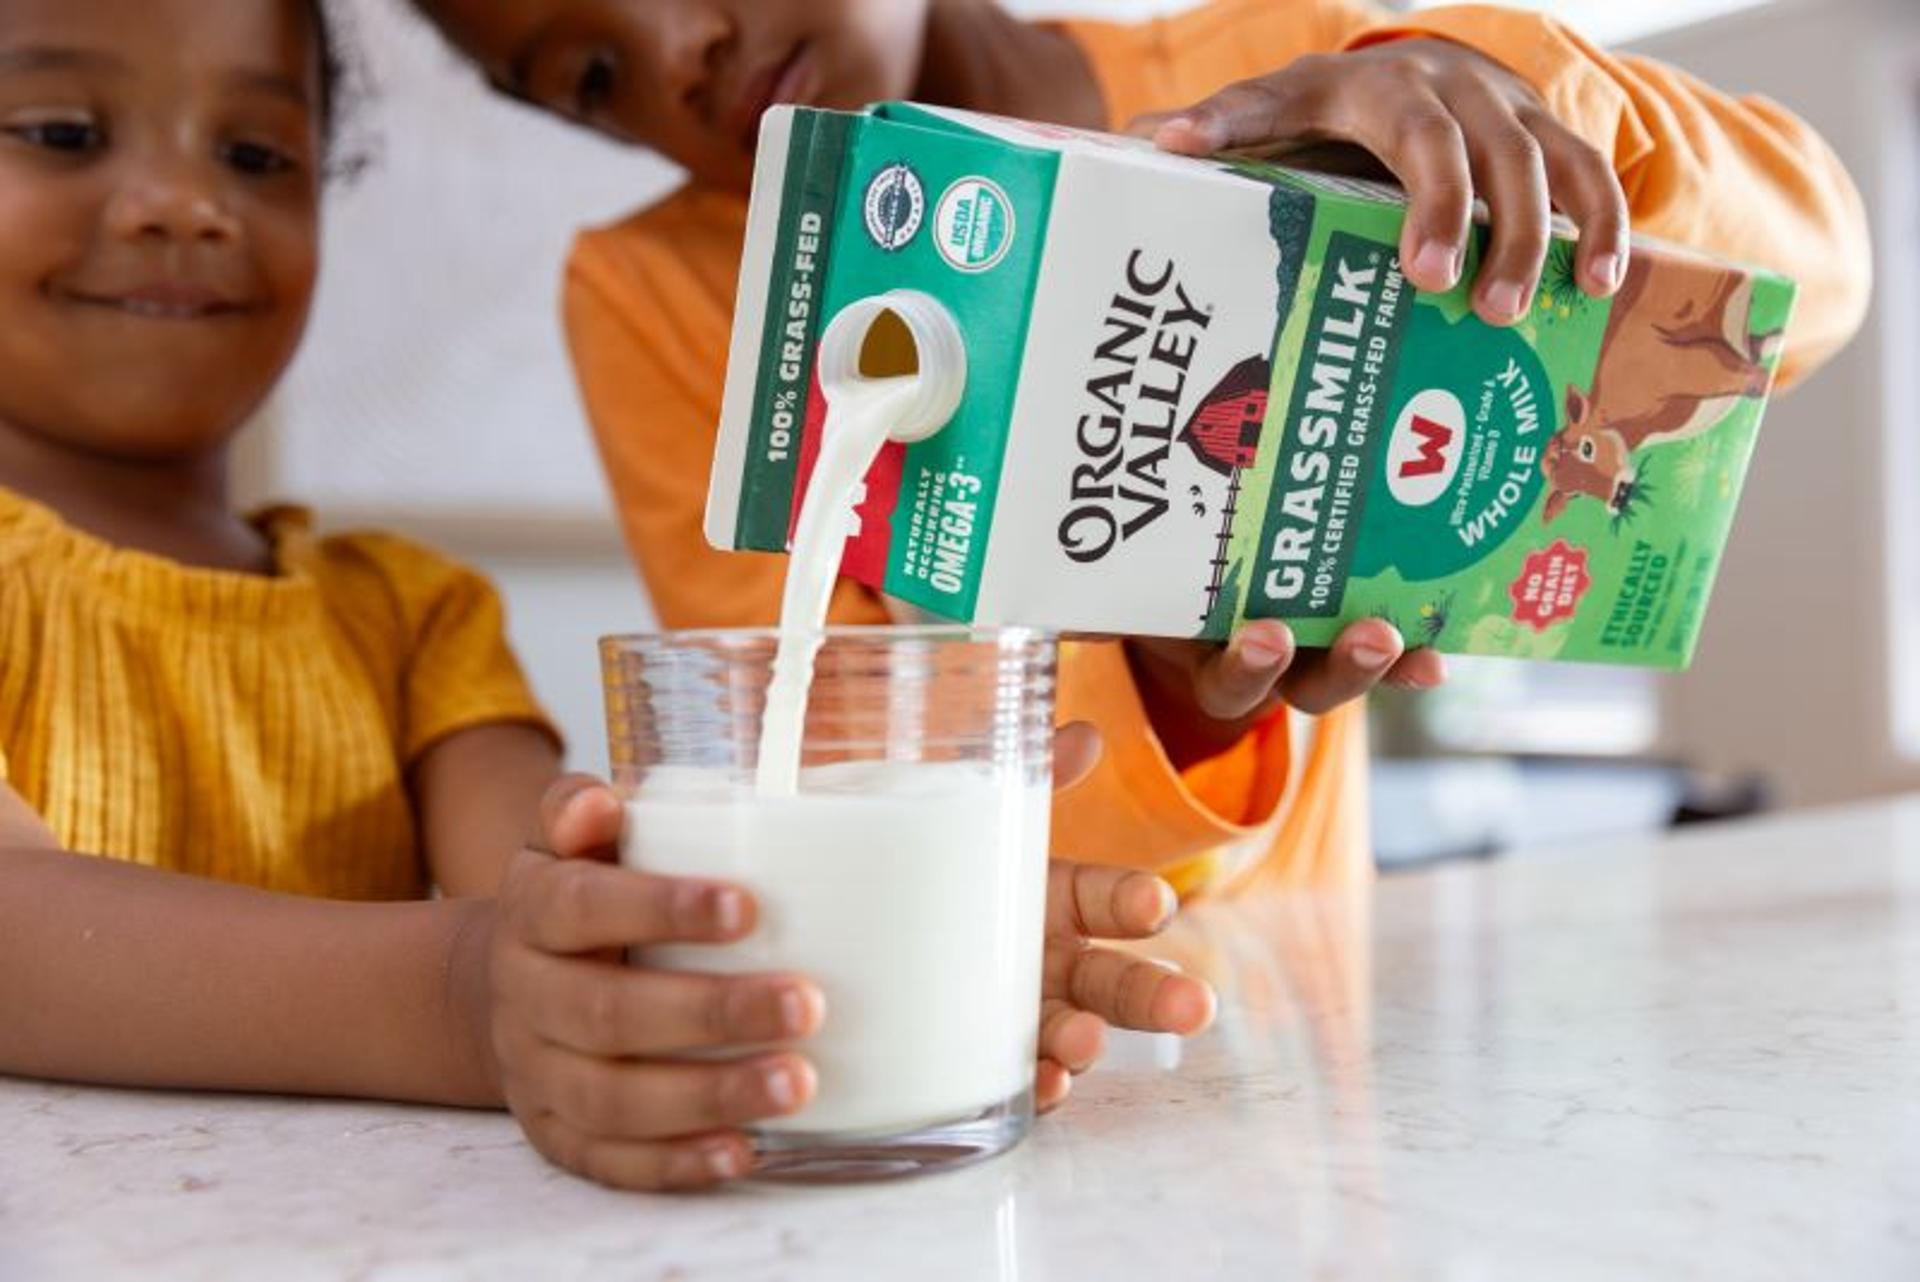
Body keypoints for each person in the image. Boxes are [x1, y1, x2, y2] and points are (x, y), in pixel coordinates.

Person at [0, 0, 1214, 1193]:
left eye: (257, 154)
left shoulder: (405, 616)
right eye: (60, 131)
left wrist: (891, 941)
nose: (186, 205)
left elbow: (563, 894)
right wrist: (459, 998)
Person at [412, 0, 1872, 895]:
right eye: (590, 74)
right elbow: (814, 753)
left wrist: (1530, 106)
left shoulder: (1303, 74)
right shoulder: (669, 296)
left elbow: (1816, 290)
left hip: (1315, 1021)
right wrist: (1167, 698)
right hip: (981, 1010)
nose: (678, 48)